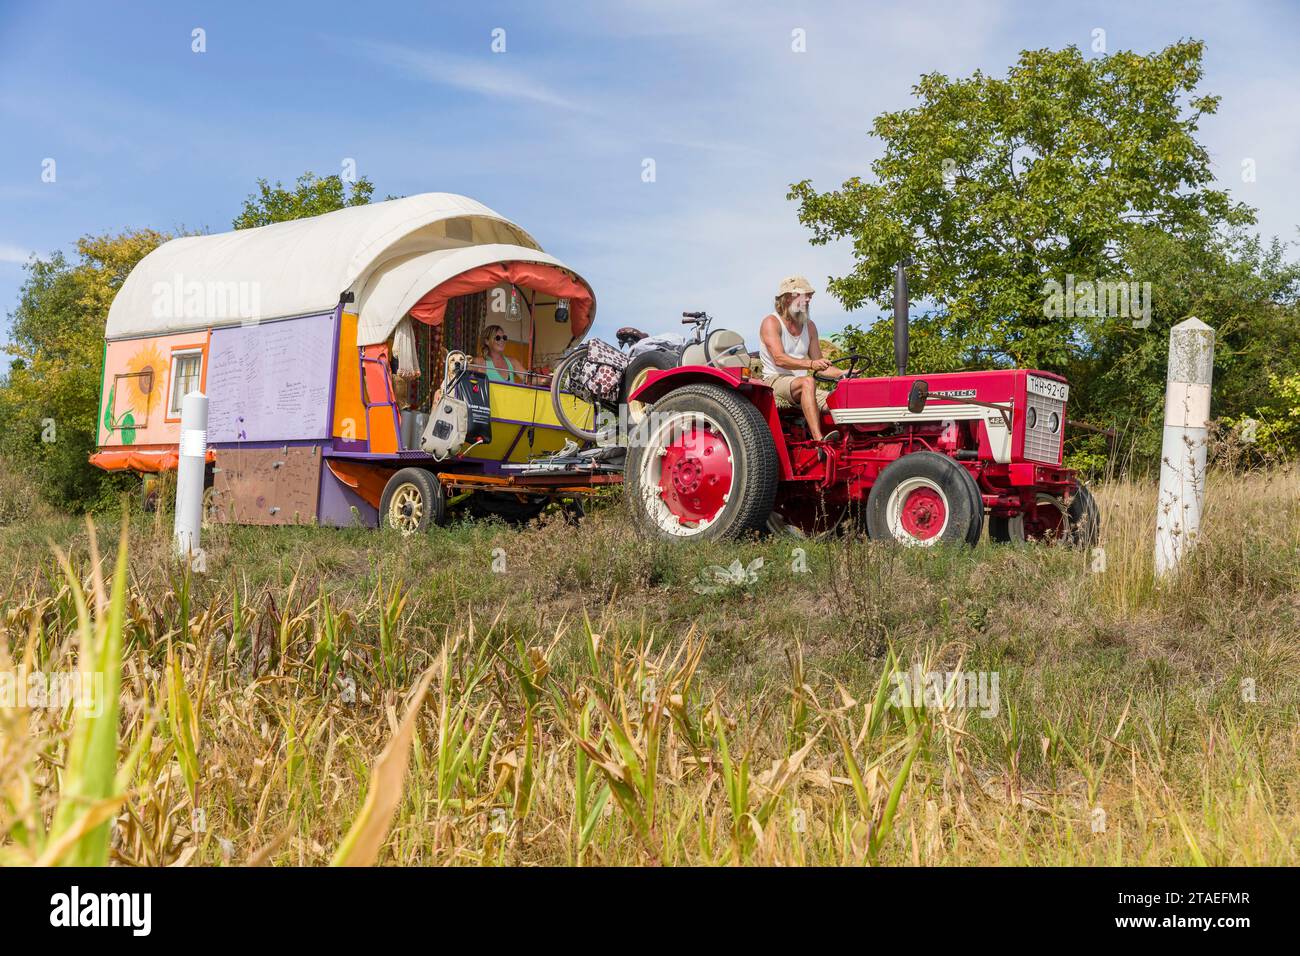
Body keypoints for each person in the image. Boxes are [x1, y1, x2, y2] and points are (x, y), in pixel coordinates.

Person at [758, 275, 843, 442]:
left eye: (811, 295)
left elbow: (822, 365)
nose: (810, 299)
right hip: (775, 380)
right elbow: (779, 359)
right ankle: (819, 441)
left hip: (800, 384)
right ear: (789, 297)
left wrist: (844, 373)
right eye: (806, 295)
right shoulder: (771, 322)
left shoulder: (809, 327)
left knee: (838, 399)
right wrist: (811, 364)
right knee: (808, 381)